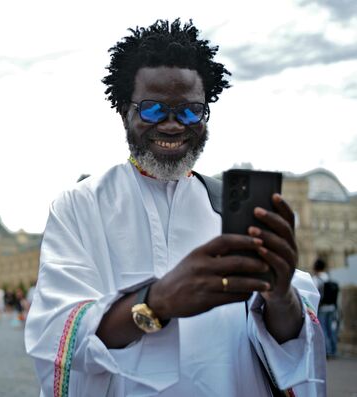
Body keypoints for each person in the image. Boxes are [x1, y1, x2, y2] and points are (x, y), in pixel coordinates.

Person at [24, 19, 325, 397]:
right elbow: (58, 333)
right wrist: (158, 302)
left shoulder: (231, 209)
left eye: (189, 111)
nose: (171, 125)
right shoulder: (79, 207)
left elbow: (293, 342)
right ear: (123, 111)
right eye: (152, 110)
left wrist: (281, 294)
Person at [312, 258, 339, 358]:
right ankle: (334, 350)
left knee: (323, 329)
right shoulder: (328, 277)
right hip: (332, 307)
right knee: (331, 329)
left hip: (322, 308)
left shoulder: (316, 279)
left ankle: (327, 351)